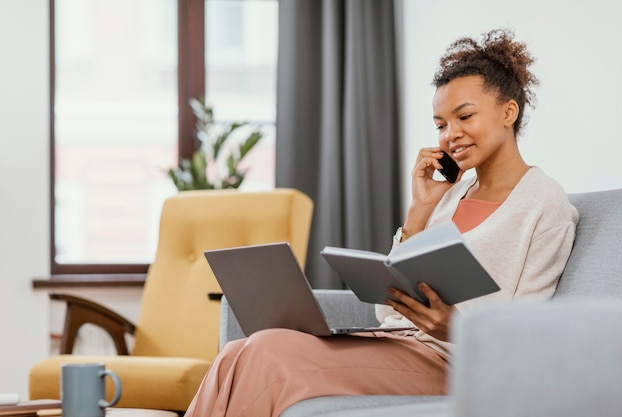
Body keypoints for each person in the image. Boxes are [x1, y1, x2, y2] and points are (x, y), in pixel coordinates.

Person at [184, 28, 579, 417]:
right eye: (441, 124)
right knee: (240, 349)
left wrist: (455, 328)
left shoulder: (544, 205)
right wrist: (419, 211)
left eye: (465, 116)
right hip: (405, 346)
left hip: (458, 365)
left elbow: (531, 336)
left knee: (267, 351)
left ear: (509, 112)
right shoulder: (452, 195)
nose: (450, 135)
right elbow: (388, 316)